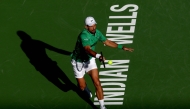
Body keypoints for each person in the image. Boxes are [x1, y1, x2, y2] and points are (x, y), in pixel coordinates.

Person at [71, 16, 134, 109]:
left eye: (94, 25)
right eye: (91, 26)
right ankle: (85, 88)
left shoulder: (97, 32)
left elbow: (107, 42)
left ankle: (102, 106)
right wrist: (98, 56)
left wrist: (121, 47)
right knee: (81, 87)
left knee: (97, 82)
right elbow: (87, 49)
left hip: (90, 60)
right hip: (78, 62)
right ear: (86, 27)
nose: (93, 27)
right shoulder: (83, 35)